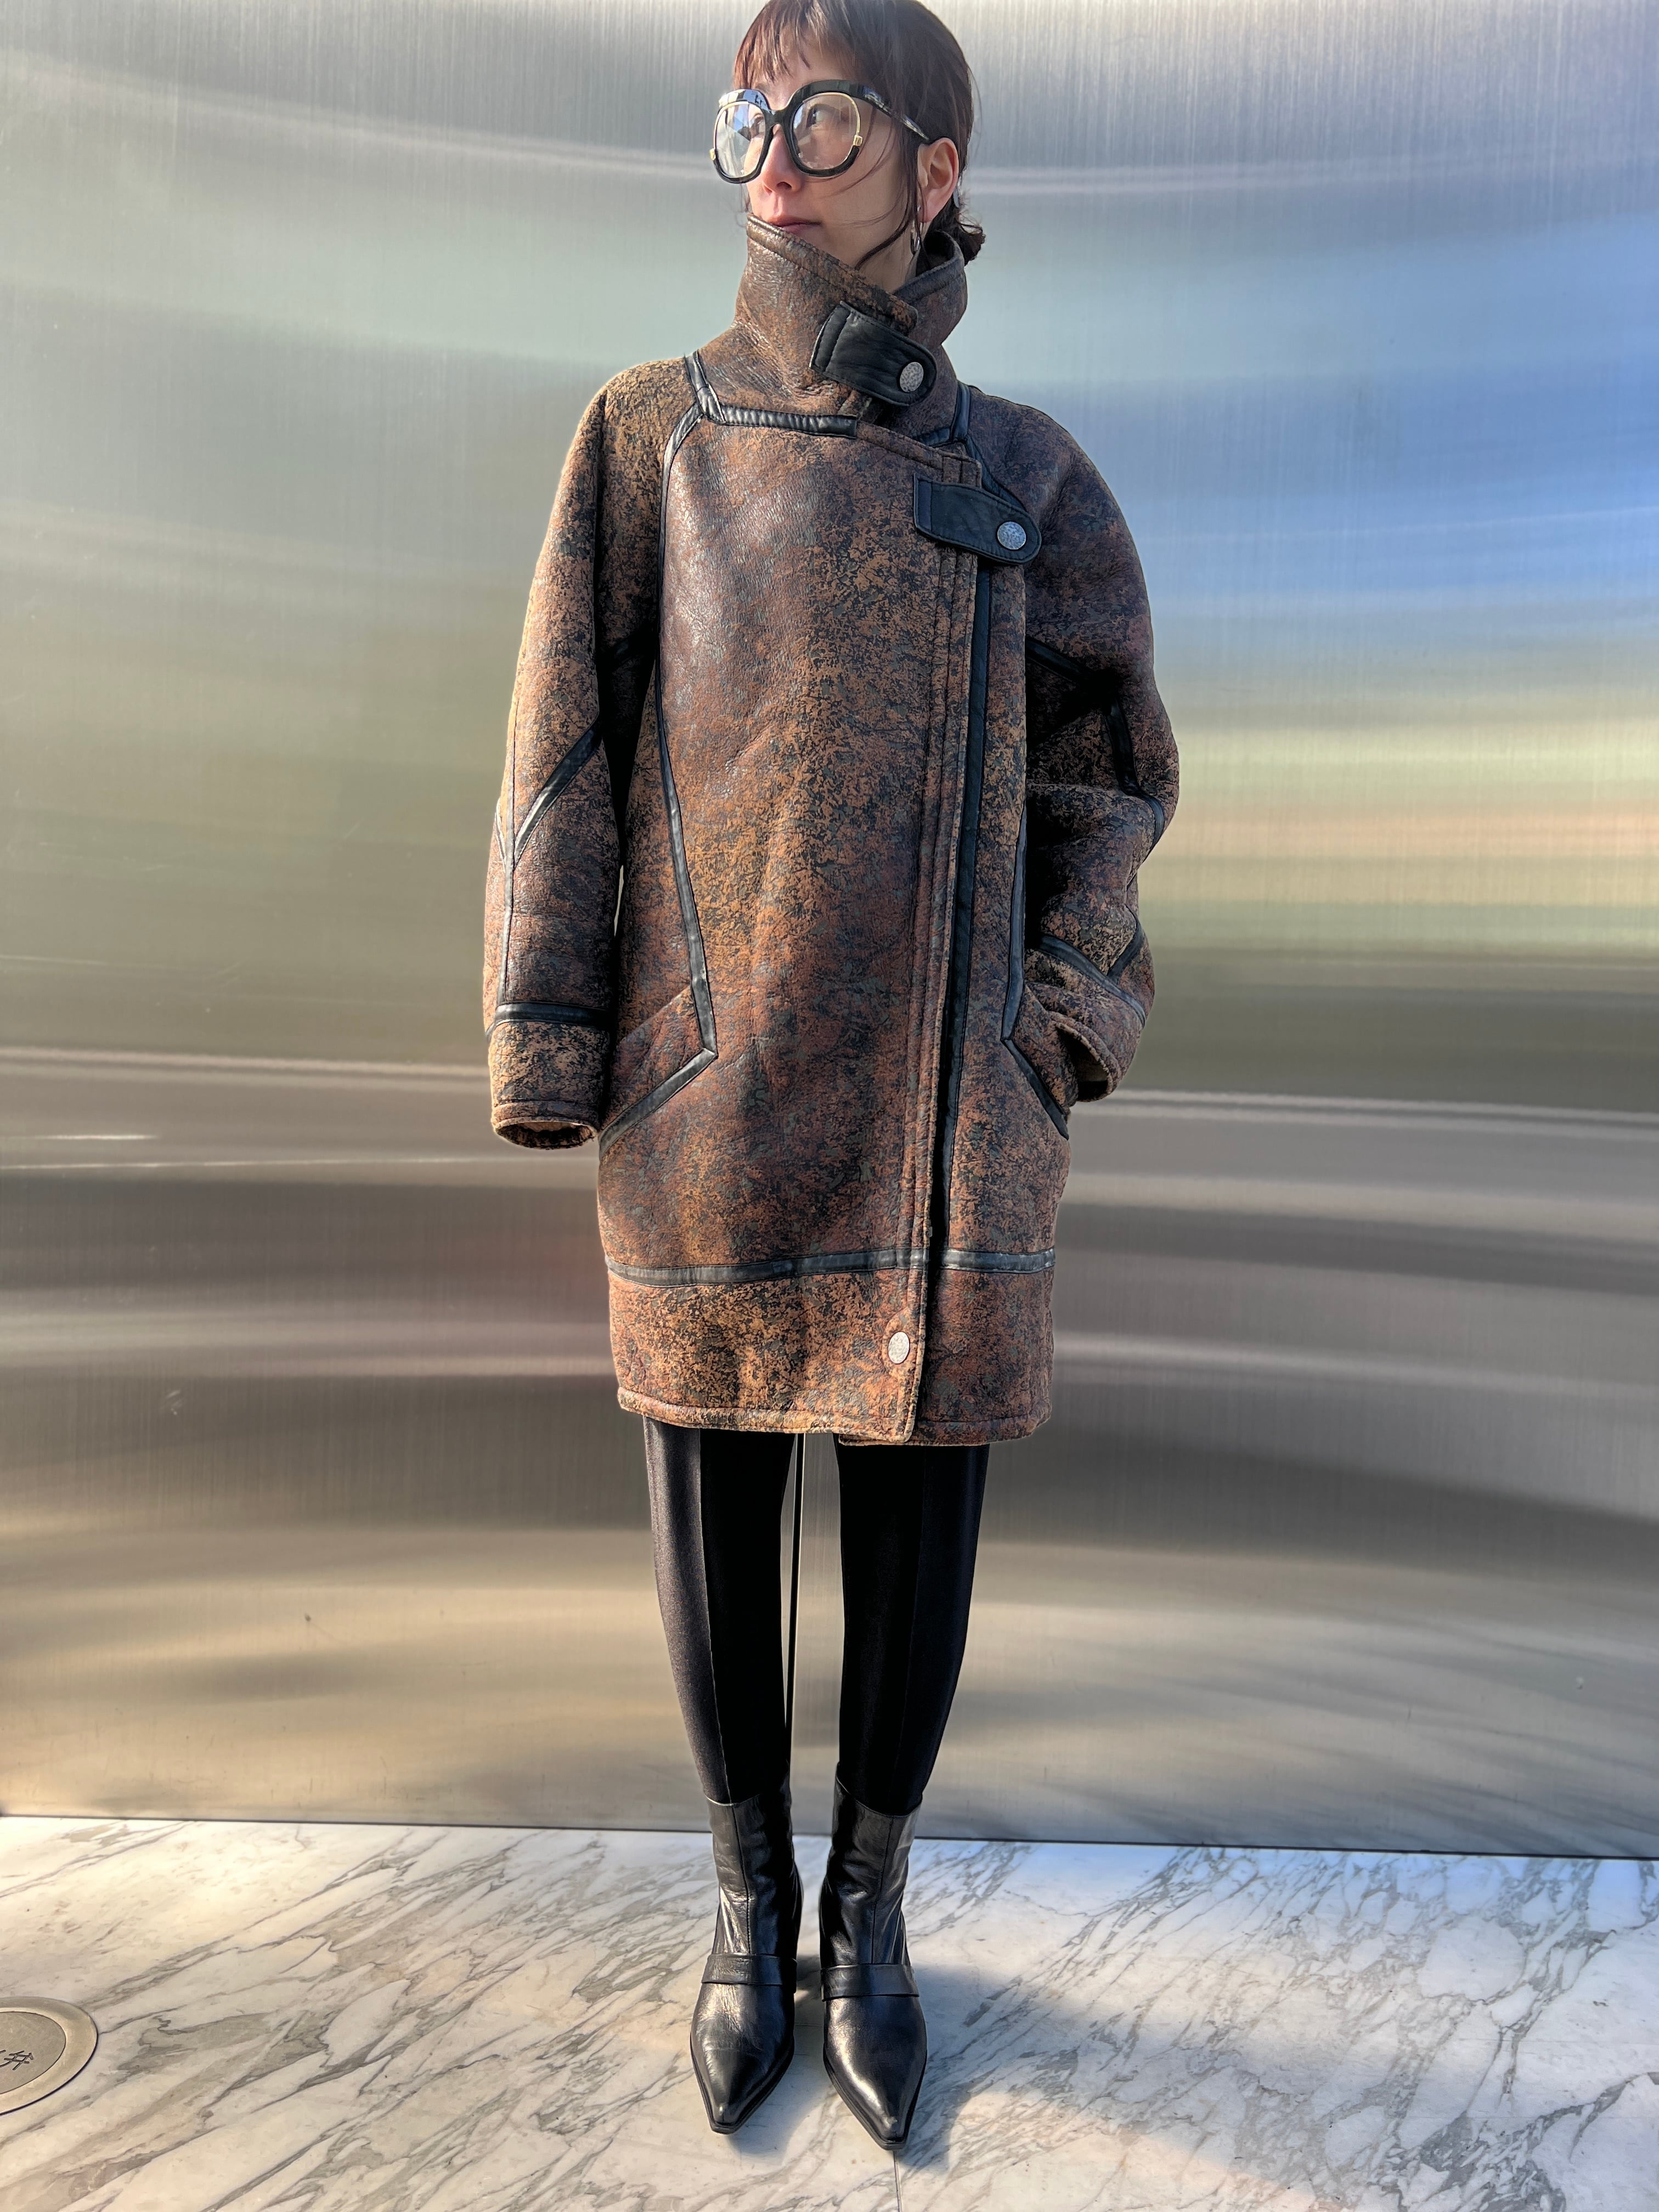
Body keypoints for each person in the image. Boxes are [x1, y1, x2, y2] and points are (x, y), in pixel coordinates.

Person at [483, 0, 1177, 2149]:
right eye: (750, 115)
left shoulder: (1029, 475)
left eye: (828, 115)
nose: (774, 154)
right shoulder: (648, 437)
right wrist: (557, 1031)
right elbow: (563, 750)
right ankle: (744, 1905)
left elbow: (1111, 785)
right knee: (712, 1494)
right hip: (702, 1087)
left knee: (914, 1505)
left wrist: (1060, 1017)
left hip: (953, 1114)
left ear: (935, 165)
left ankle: (864, 1919)